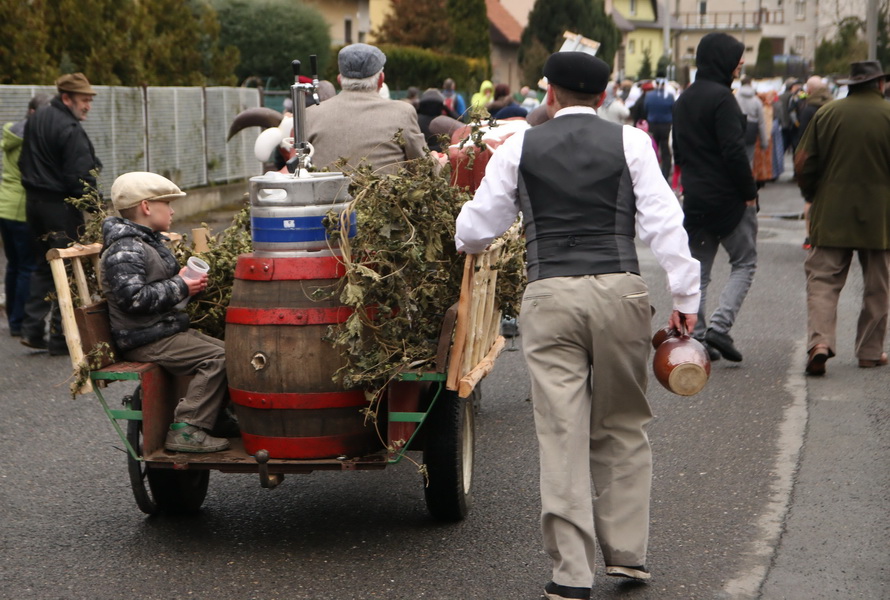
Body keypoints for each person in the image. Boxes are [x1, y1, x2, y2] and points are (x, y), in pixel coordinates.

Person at [454, 51, 700, 598]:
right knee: (623, 423)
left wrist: (463, 234)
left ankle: (570, 575)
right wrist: (686, 295)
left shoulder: (519, 147)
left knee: (561, 431)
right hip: (620, 290)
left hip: (549, 293)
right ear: (603, 95)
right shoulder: (632, 142)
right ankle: (628, 555)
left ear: (550, 94)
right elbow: (665, 221)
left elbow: (476, 229)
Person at [101, 172, 231, 452]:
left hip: (163, 330)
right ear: (146, 207)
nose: (172, 211)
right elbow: (133, 299)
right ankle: (187, 429)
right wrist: (179, 285)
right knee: (218, 359)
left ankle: (213, 418)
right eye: (167, 204)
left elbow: (159, 288)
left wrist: (187, 285)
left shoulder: (147, 243)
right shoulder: (125, 249)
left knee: (233, 354)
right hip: (145, 338)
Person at [794, 60, 890, 375]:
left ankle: (820, 343)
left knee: (823, 280)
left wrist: (812, 193)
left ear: (851, 84)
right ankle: (870, 352)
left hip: (832, 210)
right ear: (879, 84)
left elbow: (804, 161)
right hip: (881, 215)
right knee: (878, 285)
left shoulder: (827, 113)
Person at [672, 32, 759, 363]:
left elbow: (679, 151)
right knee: (744, 262)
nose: (741, 64)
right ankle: (720, 328)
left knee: (699, 271)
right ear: (723, 60)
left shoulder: (684, 99)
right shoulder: (723, 99)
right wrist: (749, 193)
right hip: (728, 199)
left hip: (696, 199)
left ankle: (698, 336)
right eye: (737, 58)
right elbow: (734, 151)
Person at [18, 73, 102, 356]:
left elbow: (23, 161)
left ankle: (31, 330)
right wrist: (97, 208)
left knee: (43, 265)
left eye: (90, 100)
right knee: (67, 268)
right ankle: (61, 336)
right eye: (84, 100)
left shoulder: (37, 119)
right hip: (60, 207)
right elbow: (80, 176)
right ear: (66, 98)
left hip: (34, 203)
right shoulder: (70, 128)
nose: (88, 106)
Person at [305, 43, 433, 174]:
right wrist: (441, 161)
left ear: (339, 80)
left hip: (325, 188)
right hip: (384, 188)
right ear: (381, 80)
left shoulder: (311, 114)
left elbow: (300, 166)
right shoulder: (402, 113)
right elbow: (425, 169)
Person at [0, 94, 50, 337]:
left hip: (4, 205)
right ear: (33, 113)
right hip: (21, 209)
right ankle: (19, 322)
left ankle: (13, 318)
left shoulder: (11, 131)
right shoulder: (32, 137)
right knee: (27, 267)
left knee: (14, 265)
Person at [793, 76, 833, 249]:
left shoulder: (808, 109)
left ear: (809, 90)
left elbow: (802, 137)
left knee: (810, 199)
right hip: (833, 158)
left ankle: (809, 237)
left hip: (813, 158)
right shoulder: (833, 105)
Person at [644, 79, 675, 179]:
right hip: (666, 125)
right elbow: (673, 109)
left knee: (653, 149)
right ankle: (665, 175)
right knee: (665, 150)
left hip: (653, 124)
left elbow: (646, 108)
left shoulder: (649, 95)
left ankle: (653, 173)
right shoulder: (669, 96)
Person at [735, 76, 769, 168]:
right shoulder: (756, 100)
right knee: (749, 158)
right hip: (751, 130)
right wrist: (764, 141)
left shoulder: (735, 98)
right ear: (750, 84)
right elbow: (761, 122)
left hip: (737, 129)